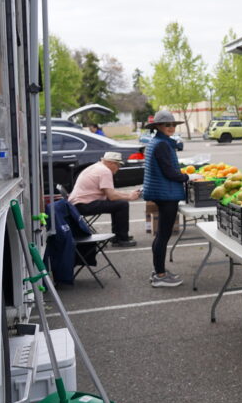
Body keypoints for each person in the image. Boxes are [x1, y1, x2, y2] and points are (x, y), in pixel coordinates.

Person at [142, 109, 201, 288]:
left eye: (173, 124)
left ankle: (158, 271)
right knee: (163, 235)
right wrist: (188, 177)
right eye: (167, 125)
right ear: (158, 126)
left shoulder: (159, 142)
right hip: (165, 194)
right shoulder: (161, 144)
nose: (171, 127)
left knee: (161, 235)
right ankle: (160, 275)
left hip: (162, 193)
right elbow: (169, 172)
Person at [68, 151, 140, 247]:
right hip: (83, 205)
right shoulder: (105, 171)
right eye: (118, 165)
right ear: (111, 163)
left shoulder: (97, 167)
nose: (118, 168)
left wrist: (128, 195)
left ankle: (118, 236)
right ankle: (122, 238)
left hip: (77, 204)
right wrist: (129, 197)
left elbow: (111, 193)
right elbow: (112, 196)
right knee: (122, 205)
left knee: (118, 203)